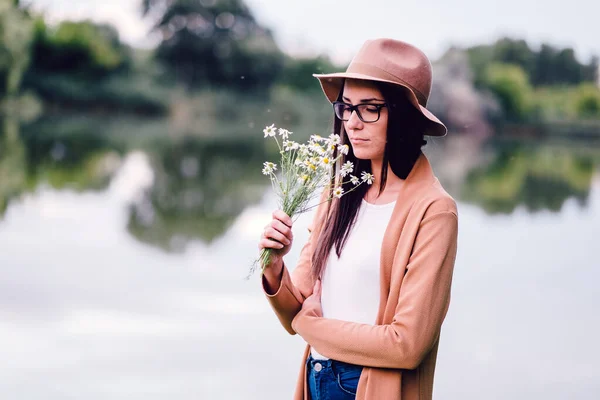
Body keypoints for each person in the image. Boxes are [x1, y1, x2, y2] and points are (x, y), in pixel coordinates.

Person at [258, 38, 458, 400]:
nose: (352, 122)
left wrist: (310, 325)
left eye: (369, 109)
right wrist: (274, 267)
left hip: (366, 388)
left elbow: (406, 345)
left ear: (402, 116)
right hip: (315, 377)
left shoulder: (434, 211)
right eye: (346, 107)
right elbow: (296, 309)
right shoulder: (336, 194)